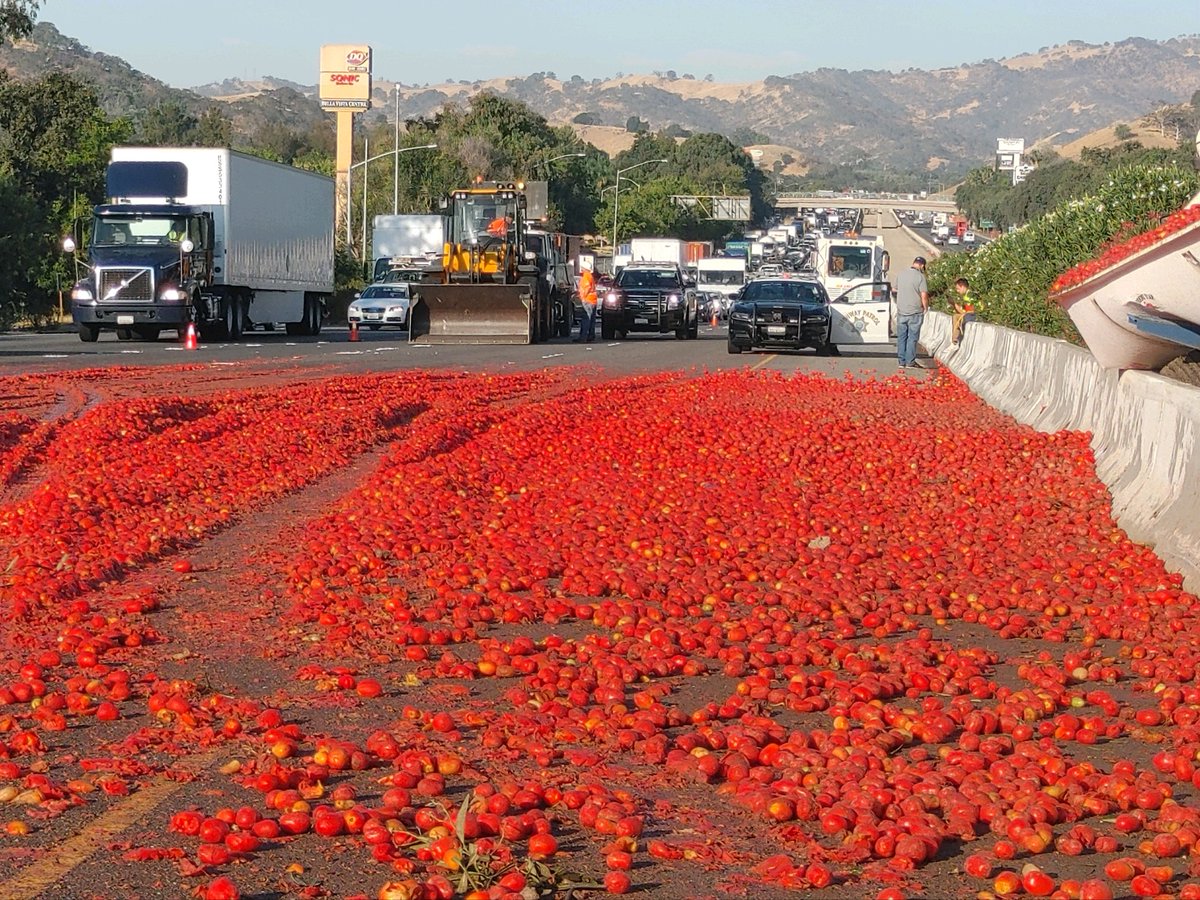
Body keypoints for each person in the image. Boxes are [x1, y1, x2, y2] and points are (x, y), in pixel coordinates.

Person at [894, 256, 928, 369]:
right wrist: (926, 307)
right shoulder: (921, 277)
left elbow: (895, 289)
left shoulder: (901, 274)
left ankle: (901, 362)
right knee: (912, 338)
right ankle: (910, 362)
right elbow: (924, 295)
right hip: (915, 312)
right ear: (922, 265)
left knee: (901, 337)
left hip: (901, 311)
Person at [951, 276, 981, 345]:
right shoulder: (966, 295)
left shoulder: (969, 296)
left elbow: (967, 312)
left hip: (974, 315)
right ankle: (955, 337)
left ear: (963, 287)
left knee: (961, 317)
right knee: (955, 316)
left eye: (958, 289)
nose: (957, 291)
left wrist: (954, 304)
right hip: (970, 313)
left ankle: (956, 337)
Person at [574, 266, 598, 343]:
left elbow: (587, 288)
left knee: (586, 318)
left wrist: (583, 297)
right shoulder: (589, 276)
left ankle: (583, 337)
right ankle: (591, 335)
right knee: (591, 319)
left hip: (588, 300)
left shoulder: (586, 276)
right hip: (592, 300)